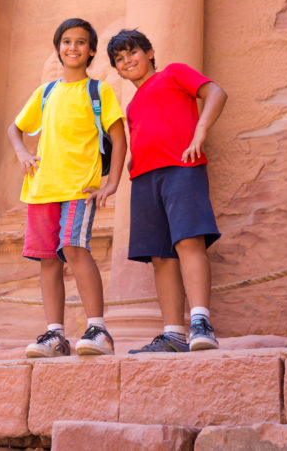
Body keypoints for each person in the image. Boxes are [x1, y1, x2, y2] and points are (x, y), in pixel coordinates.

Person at [8, 18, 127, 357]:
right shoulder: (45, 92)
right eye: (66, 42)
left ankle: (98, 329)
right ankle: (55, 335)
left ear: (91, 51)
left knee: (74, 249)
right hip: (41, 188)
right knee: (47, 260)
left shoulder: (98, 91)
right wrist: (22, 154)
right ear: (58, 48)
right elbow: (15, 129)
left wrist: (113, 182)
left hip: (79, 188)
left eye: (80, 42)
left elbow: (119, 138)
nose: (72, 48)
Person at [107, 28, 227, 353]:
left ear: (148, 52)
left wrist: (201, 129)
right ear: (116, 69)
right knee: (160, 256)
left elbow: (216, 92)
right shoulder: (130, 106)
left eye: (132, 52)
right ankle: (173, 334)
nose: (127, 61)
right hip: (144, 179)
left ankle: (201, 322)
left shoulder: (173, 72)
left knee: (188, 240)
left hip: (182, 166)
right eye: (119, 59)